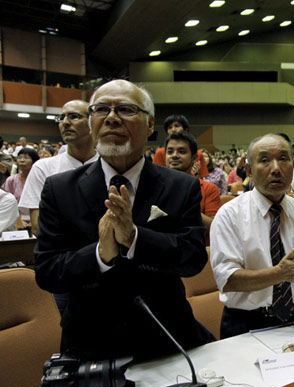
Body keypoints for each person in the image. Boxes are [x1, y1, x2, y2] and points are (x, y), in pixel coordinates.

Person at [34, 80, 214, 361]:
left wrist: (134, 238)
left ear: (150, 124)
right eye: (101, 109)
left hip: (167, 338)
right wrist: (100, 255)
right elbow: (47, 271)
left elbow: (192, 259)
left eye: (126, 110)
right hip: (91, 344)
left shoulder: (180, 186)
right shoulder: (59, 189)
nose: (112, 118)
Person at [211, 134, 294, 339]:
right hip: (245, 323)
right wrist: (280, 274)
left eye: (283, 159)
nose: (276, 168)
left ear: (292, 166)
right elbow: (228, 279)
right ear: (249, 170)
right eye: (264, 160)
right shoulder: (230, 214)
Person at [19, 100, 99, 236]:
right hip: (60, 253)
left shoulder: (109, 165)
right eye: (61, 118)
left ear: (93, 122)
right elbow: (38, 226)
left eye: (74, 116)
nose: (65, 123)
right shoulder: (43, 167)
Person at [165, 131, 221, 230]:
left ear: (194, 157)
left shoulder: (209, 189)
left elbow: (214, 227)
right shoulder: (155, 186)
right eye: (170, 152)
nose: (174, 155)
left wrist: (184, 205)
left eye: (182, 152)